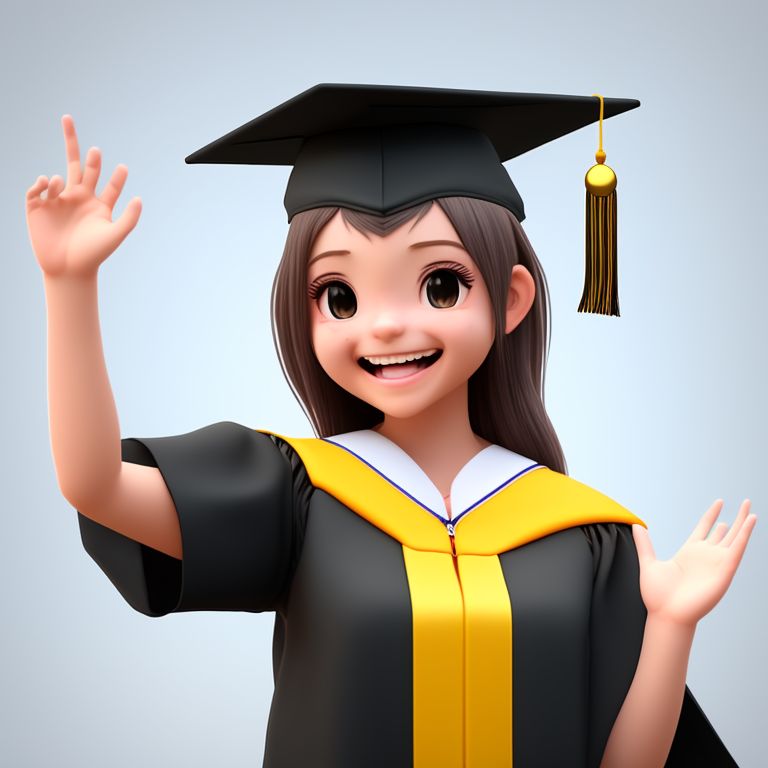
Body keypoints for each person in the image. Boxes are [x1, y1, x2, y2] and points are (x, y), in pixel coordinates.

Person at [28, 85, 756, 768]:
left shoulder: (585, 538)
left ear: (511, 300)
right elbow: (93, 485)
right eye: (338, 296)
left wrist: (670, 623)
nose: (384, 324)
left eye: (441, 284)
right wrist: (70, 285)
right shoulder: (298, 494)